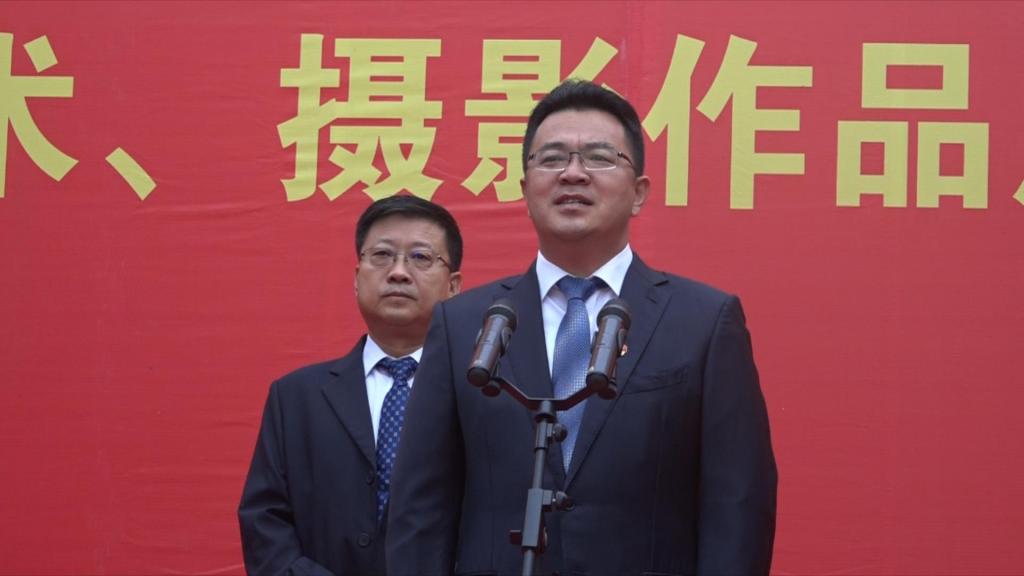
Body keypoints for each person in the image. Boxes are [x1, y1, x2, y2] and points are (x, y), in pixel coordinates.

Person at [387, 80, 776, 575]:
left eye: (599, 157)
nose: (573, 173)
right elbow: (421, 507)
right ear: (525, 190)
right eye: (552, 159)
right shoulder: (464, 324)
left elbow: (738, 505)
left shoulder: (703, 321)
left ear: (639, 193)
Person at [238, 196, 463, 576]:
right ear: (357, 278)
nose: (398, 272)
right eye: (382, 255)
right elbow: (265, 520)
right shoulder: (296, 398)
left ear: (453, 287)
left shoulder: (482, 394)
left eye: (420, 257)